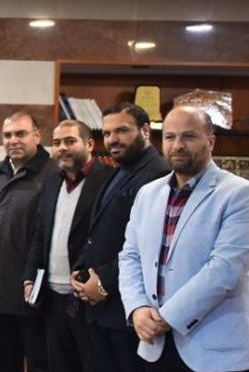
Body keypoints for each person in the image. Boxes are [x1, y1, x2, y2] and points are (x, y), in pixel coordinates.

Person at [119, 107, 249, 371]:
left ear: (210, 141)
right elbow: (130, 256)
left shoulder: (243, 195)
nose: (177, 145)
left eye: (188, 136)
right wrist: (137, 308)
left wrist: (165, 318)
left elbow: (224, 270)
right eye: (169, 137)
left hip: (215, 353)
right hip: (155, 346)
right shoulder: (147, 194)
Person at [72, 102, 169, 372]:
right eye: (107, 133)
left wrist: (104, 283)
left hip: (126, 311)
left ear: (145, 131)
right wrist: (80, 270)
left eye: (122, 131)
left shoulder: (159, 173)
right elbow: (98, 230)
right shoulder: (119, 170)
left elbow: (149, 247)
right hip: (100, 310)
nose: (112, 139)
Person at [23, 120, 112, 372]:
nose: (62, 148)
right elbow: (40, 234)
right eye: (57, 143)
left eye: (70, 141)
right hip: (53, 298)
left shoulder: (108, 180)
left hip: (88, 297)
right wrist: (30, 277)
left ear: (90, 144)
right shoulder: (52, 182)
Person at [0, 112, 56, 372]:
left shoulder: (53, 174)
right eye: (7, 135)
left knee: (39, 362)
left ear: (37, 136)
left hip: (34, 295)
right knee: (2, 361)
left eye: (20, 134)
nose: (13, 140)